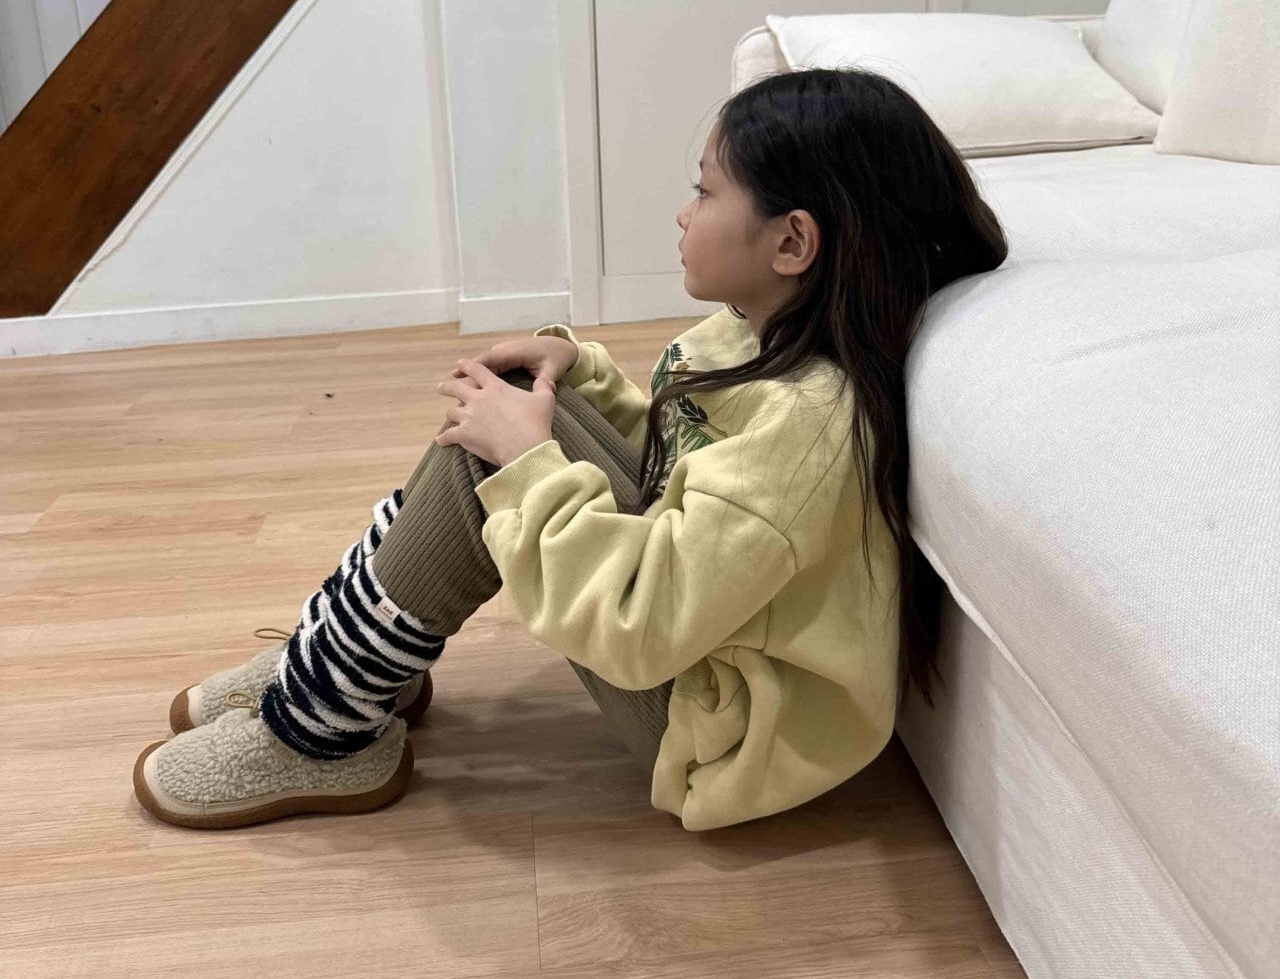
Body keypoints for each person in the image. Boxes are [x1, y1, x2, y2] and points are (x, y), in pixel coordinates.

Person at [131, 66, 1008, 833]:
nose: (683, 212)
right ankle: (348, 662)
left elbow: (639, 626)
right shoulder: (757, 335)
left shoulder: (808, 424)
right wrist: (579, 375)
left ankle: (321, 729)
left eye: (705, 193)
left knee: (494, 456)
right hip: (700, 648)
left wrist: (527, 463)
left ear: (792, 241)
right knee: (512, 408)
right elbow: (678, 464)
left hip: (715, 733)